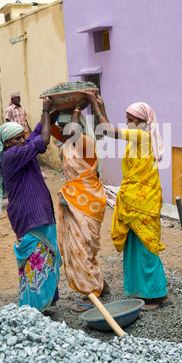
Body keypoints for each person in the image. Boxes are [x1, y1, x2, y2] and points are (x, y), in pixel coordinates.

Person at [86, 91, 169, 311]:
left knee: (146, 247)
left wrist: (94, 102)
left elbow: (108, 130)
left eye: (132, 120)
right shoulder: (135, 140)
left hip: (143, 201)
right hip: (133, 198)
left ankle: (158, 295)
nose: (128, 123)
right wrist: (101, 103)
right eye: (127, 119)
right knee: (135, 246)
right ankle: (141, 291)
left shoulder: (142, 137)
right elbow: (110, 126)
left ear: (144, 122)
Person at [0, 98, 61, 313]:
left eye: (23, 136)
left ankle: (44, 304)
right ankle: (34, 307)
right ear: (7, 143)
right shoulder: (12, 155)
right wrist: (46, 110)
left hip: (37, 211)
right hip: (30, 214)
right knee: (37, 258)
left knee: (45, 256)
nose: (22, 140)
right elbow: (44, 139)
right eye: (17, 138)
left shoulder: (23, 146)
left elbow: (39, 129)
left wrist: (54, 108)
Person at [51, 104, 108, 311]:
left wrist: (75, 110)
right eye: (62, 126)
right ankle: (100, 284)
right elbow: (48, 126)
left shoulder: (84, 143)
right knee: (81, 247)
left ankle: (91, 293)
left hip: (88, 203)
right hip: (75, 201)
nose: (65, 129)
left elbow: (73, 132)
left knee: (82, 247)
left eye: (69, 125)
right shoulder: (67, 142)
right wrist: (53, 110)